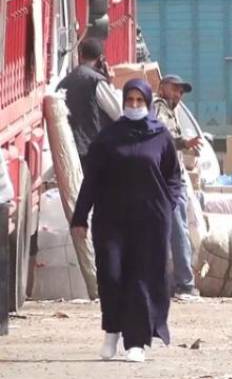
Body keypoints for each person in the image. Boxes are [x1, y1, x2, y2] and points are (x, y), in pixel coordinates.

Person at [70, 79, 183, 363]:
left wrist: (168, 206)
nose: (134, 105)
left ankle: (137, 342)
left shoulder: (160, 136)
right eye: (129, 100)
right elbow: (91, 180)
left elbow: (173, 177)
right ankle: (112, 331)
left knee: (141, 279)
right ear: (123, 103)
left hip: (150, 222)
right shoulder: (108, 138)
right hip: (112, 220)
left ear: (147, 102)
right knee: (111, 275)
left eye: (139, 101)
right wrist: (80, 216)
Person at [152, 75, 202, 300]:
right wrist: (184, 143)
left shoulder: (172, 111)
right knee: (177, 227)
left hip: (172, 176)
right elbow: (161, 136)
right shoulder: (158, 106)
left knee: (172, 228)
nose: (178, 95)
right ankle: (185, 283)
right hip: (166, 179)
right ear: (162, 88)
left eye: (181, 92)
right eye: (175, 90)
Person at [57, 38, 121, 170]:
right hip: (94, 151)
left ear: (80, 56)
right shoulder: (97, 82)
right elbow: (118, 113)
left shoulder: (63, 83)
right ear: (100, 59)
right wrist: (111, 84)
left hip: (70, 149)